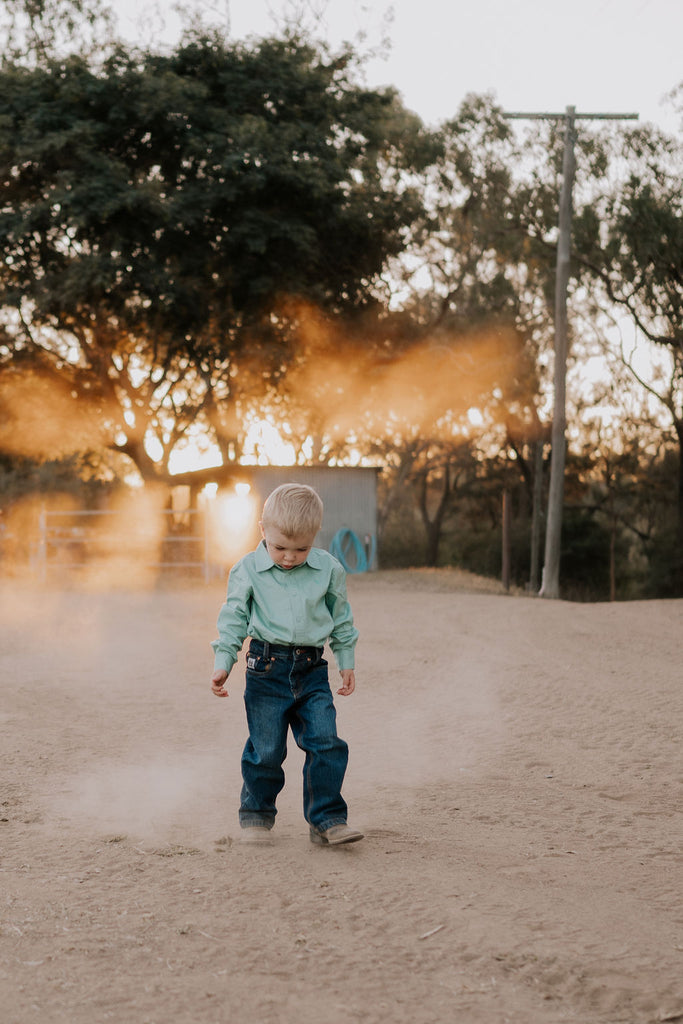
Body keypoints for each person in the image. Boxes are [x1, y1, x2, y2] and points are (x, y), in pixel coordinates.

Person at [210, 483, 363, 847]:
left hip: (312, 670)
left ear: (315, 537)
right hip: (265, 668)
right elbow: (232, 618)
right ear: (263, 530)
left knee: (326, 742)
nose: (290, 557)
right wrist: (223, 661)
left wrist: (346, 660)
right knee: (266, 749)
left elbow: (341, 618)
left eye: (301, 548)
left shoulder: (328, 569)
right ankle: (257, 817)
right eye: (280, 547)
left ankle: (327, 820)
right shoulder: (247, 570)